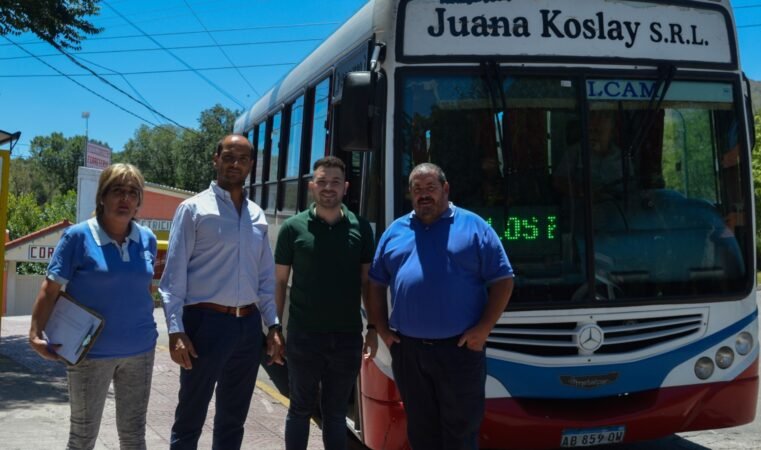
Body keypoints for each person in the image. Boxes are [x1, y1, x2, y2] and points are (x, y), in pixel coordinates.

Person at [367, 163, 514, 449]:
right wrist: (382, 329)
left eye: (430, 188)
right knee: (422, 433)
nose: (424, 195)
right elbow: (375, 283)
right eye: (417, 189)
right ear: (410, 194)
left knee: (460, 434)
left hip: (459, 352)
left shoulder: (474, 227)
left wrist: (484, 329)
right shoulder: (395, 231)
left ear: (445, 189)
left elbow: (504, 279)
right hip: (409, 352)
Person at [159, 134, 283, 450]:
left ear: (251, 165)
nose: (235, 164)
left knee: (233, 419)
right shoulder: (193, 209)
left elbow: (265, 278)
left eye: (242, 159)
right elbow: (173, 277)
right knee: (190, 417)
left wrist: (273, 326)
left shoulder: (257, 216)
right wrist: (176, 330)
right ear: (216, 159)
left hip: (247, 327)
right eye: (228, 157)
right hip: (204, 324)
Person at [29, 163, 158, 449]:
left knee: (134, 436)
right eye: (117, 191)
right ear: (102, 196)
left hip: (140, 352)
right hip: (90, 353)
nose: (125, 199)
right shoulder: (77, 237)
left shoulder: (146, 239)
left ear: (139, 200)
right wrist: (35, 334)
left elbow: (142, 291)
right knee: (83, 438)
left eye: (132, 193)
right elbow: (50, 289)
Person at [274, 155, 377, 450]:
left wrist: (372, 327)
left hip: (346, 338)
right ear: (311, 187)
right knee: (300, 410)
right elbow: (280, 282)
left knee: (334, 415)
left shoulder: (361, 228)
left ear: (345, 187)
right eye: (322, 182)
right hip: (304, 336)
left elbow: (368, 283)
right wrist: (275, 328)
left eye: (334, 182)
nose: (328, 187)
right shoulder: (293, 228)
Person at [554, 110, 629, 197]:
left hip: (617, 208)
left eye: (604, 117)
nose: (597, 121)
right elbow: (558, 181)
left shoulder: (622, 156)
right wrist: (581, 191)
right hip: (583, 208)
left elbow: (631, 186)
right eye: (593, 130)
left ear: (613, 128)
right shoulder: (575, 152)